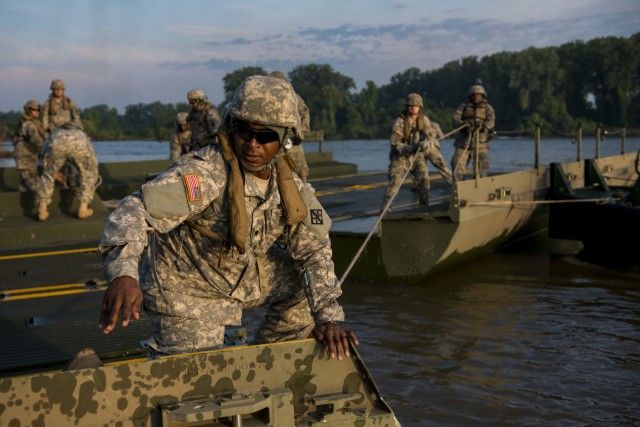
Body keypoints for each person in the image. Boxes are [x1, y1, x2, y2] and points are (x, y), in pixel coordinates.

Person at [99, 75, 358, 360]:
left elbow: (314, 252)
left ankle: (270, 361)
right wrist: (123, 273)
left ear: (285, 138)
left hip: (236, 277)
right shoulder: (205, 173)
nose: (253, 144)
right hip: (185, 289)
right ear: (232, 127)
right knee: (194, 389)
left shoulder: (290, 187)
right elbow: (134, 210)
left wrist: (328, 319)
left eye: (266, 136)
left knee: (308, 290)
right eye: (245, 132)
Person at [381, 93, 442, 209]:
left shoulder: (424, 120)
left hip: (417, 156)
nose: (412, 108)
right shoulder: (399, 122)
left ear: (419, 107)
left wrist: (427, 142)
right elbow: (396, 145)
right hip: (400, 157)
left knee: (424, 179)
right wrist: (413, 148)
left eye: (415, 105)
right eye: (410, 105)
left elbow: (431, 134)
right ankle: (385, 210)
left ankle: (424, 208)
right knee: (395, 182)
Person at [36, 123, 99, 221]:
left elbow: (43, 151)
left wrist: (46, 167)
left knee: (48, 175)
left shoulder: (56, 132)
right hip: (78, 145)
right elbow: (92, 158)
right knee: (87, 175)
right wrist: (94, 174)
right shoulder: (81, 134)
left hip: (57, 143)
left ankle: (42, 210)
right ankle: (83, 209)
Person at [269, 71, 311, 182]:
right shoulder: (266, 100)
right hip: (274, 143)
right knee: (275, 175)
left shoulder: (294, 97)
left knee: (300, 174)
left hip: (292, 142)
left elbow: (304, 113)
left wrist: (301, 133)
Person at [450, 84, 495, 181]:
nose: (476, 96)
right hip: (463, 143)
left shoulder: (488, 108)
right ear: (470, 96)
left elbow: (491, 121)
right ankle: (458, 187)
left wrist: (482, 126)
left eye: (479, 94)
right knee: (457, 166)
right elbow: (455, 119)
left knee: (483, 165)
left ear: (483, 96)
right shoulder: (463, 107)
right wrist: (464, 124)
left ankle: (480, 186)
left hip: (481, 143)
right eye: (474, 94)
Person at [12, 100, 47, 192]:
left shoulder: (35, 123)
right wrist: (49, 148)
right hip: (24, 158)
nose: (37, 112)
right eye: (34, 110)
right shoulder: (28, 124)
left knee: (25, 187)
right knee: (37, 186)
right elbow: (36, 140)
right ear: (28, 110)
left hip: (30, 158)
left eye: (39, 110)